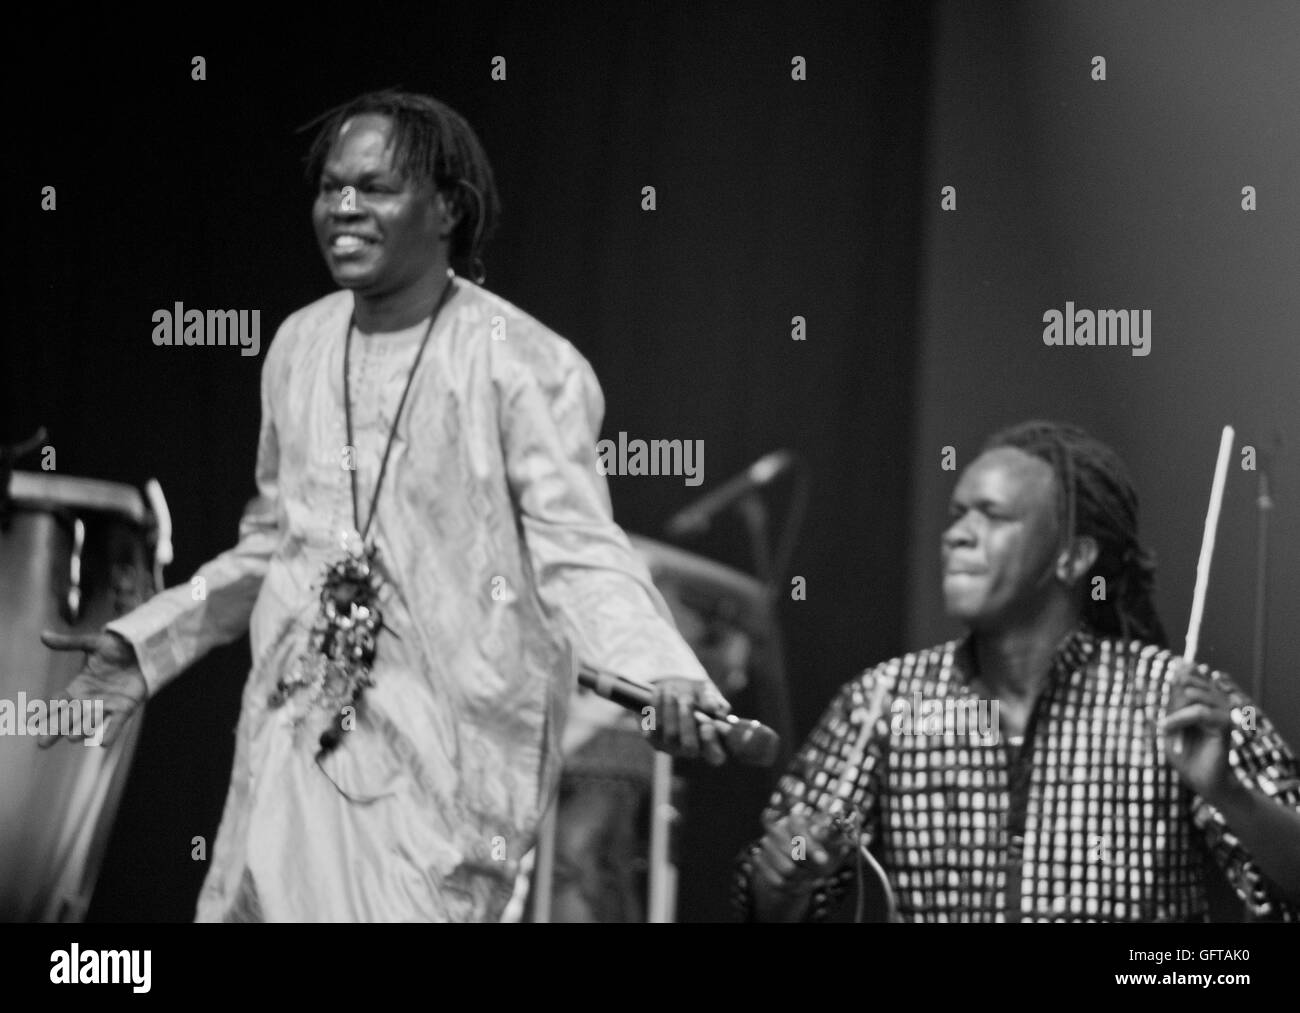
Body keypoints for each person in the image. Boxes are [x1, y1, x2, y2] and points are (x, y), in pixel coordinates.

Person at [39, 89, 729, 922]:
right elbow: (274, 549)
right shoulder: (299, 345)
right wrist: (146, 644)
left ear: (448, 208)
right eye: (331, 187)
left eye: (375, 188)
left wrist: (663, 668)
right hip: (293, 745)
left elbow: (580, 550)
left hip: (440, 778)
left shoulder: (524, 364)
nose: (343, 208)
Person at [735, 420, 1300, 922]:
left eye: (993, 515)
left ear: (1072, 558)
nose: (956, 533)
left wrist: (1229, 793)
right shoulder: (884, 700)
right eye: (957, 514)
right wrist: (788, 871)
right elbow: (770, 899)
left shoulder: (1176, 699)